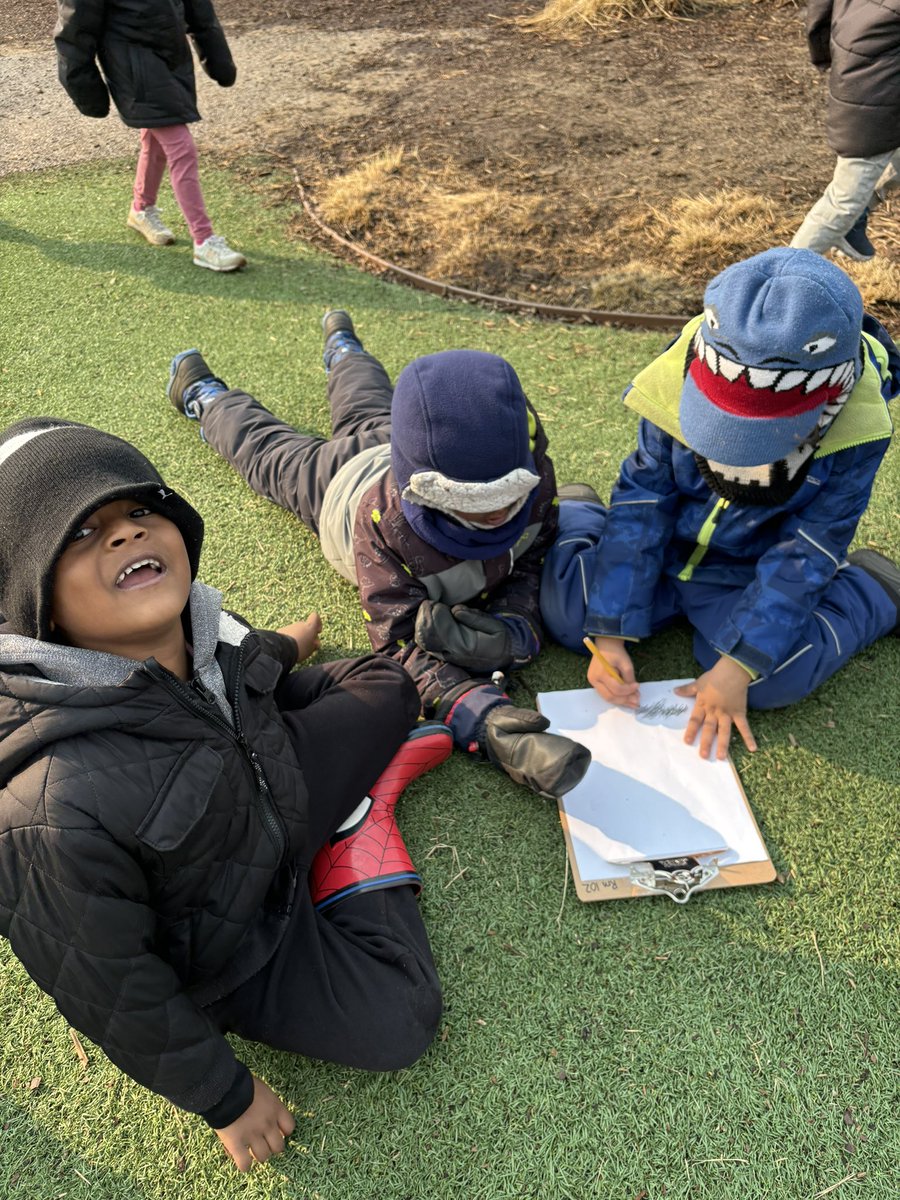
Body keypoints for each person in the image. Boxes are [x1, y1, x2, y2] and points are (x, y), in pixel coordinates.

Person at [0, 417, 454, 1171]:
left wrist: (274, 649)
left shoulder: (206, 624)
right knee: (400, 1022)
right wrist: (227, 1097)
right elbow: (113, 988)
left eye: (139, 510)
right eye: (81, 531)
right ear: (32, 596)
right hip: (237, 944)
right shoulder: (45, 809)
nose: (124, 535)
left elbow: (242, 657)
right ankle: (359, 840)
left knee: (388, 683)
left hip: (276, 788)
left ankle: (331, 814)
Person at [165, 314, 590, 799]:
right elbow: (396, 644)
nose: (494, 516)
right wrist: (477, 710)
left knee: (367, 405)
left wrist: (518, 628)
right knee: (264, 450)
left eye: (507, 499)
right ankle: (206, 396)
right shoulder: (381, 526)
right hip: (335, 485)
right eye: (470, 507)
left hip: (397, 445)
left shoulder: (536, 475)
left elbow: (533, 559)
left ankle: (344, 350)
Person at [539, 247, 900, 759]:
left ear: (825, 402)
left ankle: (871, 590)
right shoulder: (684, 371)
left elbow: (809, 548)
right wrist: (608, 632)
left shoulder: (856, 432)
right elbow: (644, 499)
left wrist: (738, 666)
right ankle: (581, 513)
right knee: (571, 618)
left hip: (742, 575)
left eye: (761, 437)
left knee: (773, 679)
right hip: (665, 552)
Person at [54, 0, 246, 272]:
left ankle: (141, 209)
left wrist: (219, 61)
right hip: (132, 67)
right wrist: (87, 92)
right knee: (181, 146)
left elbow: (200, 12)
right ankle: (204, 241)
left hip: (170, 59)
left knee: (155, 138)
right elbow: (73, 32)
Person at [790, 0, 900, 262]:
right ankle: (770, 285)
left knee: (848, 200)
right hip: (877, 98)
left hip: (860, 78)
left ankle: (855, 217)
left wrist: (825, 55)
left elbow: (819, 12)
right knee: (842, 203)